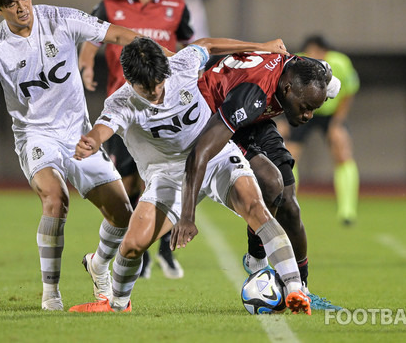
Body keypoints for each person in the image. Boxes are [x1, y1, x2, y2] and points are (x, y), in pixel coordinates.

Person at [69, 37, 311, 315]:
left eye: (159, 83)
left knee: (258, 209)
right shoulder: (121, 103)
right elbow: (102, 129)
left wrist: (261, 47)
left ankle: (295, 289)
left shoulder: (181, 64)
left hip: (216, 158)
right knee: (133, 246)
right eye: (146, 89)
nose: (156, 93)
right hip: (168, 177)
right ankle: (118, 305)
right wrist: (91, 141)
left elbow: (208, 45)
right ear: (129, 80)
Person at [0, 0, 147, 311]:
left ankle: (97, 263)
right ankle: (51, 293)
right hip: (35, 136)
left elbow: (113, 34)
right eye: (12, 3)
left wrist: (153, 52)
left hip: (78, 134)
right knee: (56, 196)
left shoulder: (60, 19)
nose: (22, 6)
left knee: (123, 213)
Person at [171, 49, 344, 311]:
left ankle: (302, 290)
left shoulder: (308, 73)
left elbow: (328, 81)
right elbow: (200, 152)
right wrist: (187, 215)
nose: (308, 116)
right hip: (216, 115)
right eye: (306, 107)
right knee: (270, 182)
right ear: (286, 89)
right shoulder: (252, 94)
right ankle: (256, 259)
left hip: (257, 119)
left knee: (289, 204)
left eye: (314, 108)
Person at [78, 0, 194, 280]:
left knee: (160, 182)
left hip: (165, 108)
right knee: (127, 185)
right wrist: (86, 65)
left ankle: (161, 251)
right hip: (124, 112)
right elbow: (91, 37)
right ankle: (137, 251)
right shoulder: (109, 6)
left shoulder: (177, 6)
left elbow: (190, 45)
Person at [284, 35, 360, 226]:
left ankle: (347, 211)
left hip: (330, 114)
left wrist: (337, 123)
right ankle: (289, 203)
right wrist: (286, 118)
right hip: (304, 110)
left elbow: (349, 92)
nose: (314, 56)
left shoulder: (341, 63)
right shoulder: (297, 62)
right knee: (289, 155)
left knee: (342, 151)